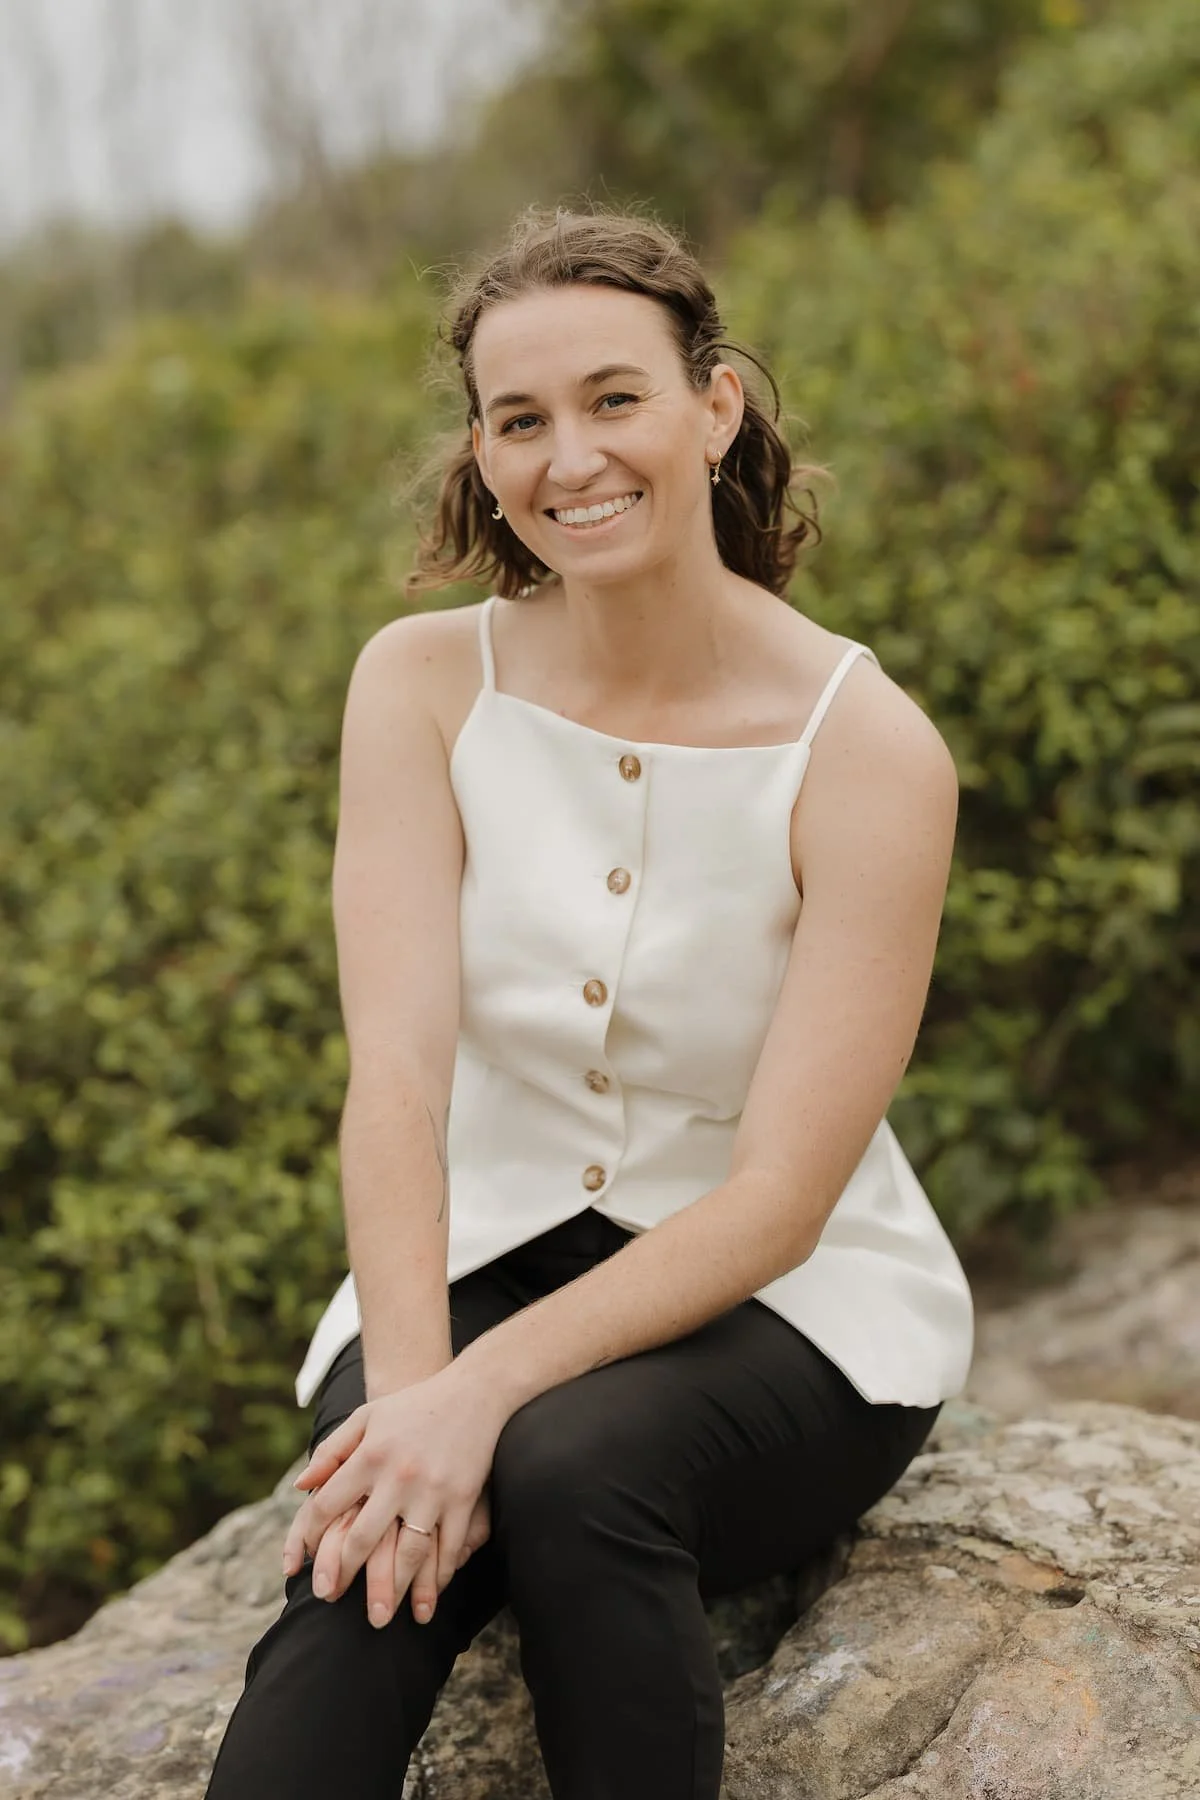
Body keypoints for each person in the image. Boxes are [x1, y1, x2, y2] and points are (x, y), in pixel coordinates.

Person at [204, 204, 974, 1800]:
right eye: (521, 420)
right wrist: (416, 1403)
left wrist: (487, 1399)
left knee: (571, 1469)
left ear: (715, 405)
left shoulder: (868, 747)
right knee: (364, 1562)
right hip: (474, 1250)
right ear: (482, 454)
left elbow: (778, 1199)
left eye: (614, 399)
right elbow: (399, 1080)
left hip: (794, 1311)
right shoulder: (420, 686)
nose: (573, 457)